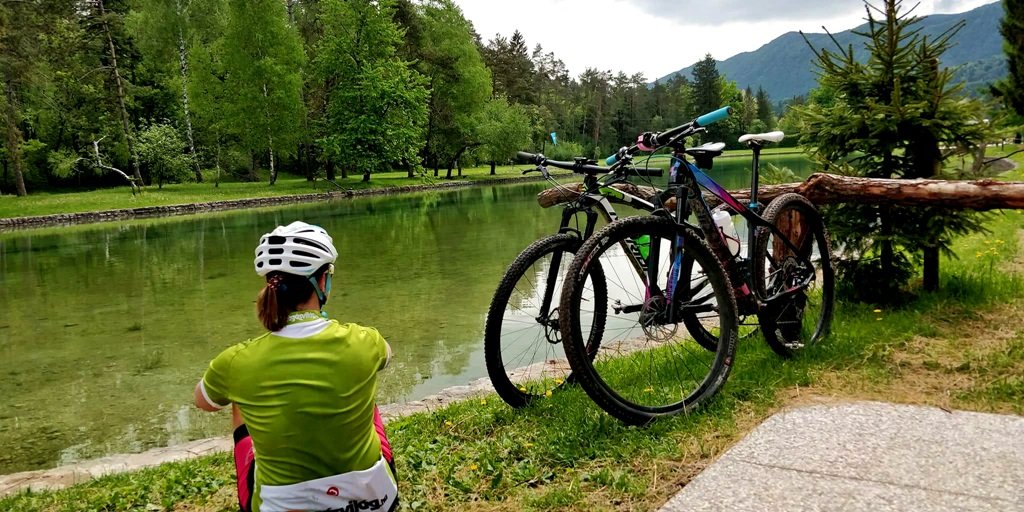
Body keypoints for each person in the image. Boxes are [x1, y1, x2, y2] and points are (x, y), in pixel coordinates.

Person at [193, 221, 397, 512]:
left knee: (238, 395)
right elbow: (387, 354)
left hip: (281, 506)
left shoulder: (236, 361)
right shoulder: (364, 341)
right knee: (361, 380)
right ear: (323, 281)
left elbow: (203, 401)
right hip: (374, 502)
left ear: (271, 286)